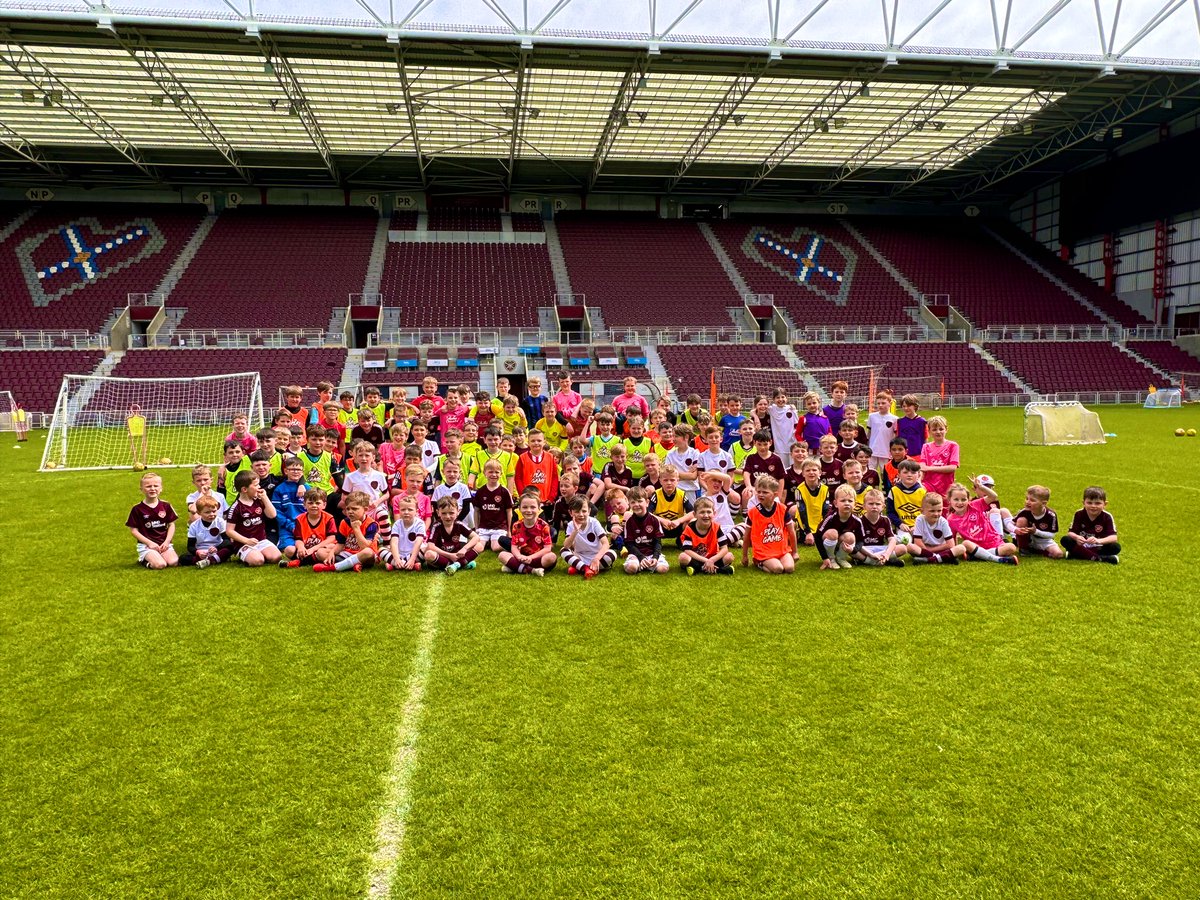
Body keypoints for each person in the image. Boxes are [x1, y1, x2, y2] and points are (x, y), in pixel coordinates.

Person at [945, 481, 1019, 565]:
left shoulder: (975, 505)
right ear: (949, 500)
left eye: (963, 499)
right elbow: (953, 539)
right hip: (975, 546)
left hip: (995, 542)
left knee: (1011, 547)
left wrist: (981, 487)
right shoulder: (951, 520)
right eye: (956, 499)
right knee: (965, 543)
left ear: (968, 499)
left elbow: (993, 496)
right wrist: (957, 552)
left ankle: (978, 556)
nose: (960, 502)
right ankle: (997, 559)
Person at [225, 470, 281, 567]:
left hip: (261, 540)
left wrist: (265, 498)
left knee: (276, 557)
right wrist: (246, 541)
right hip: (244, 543)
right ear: (244, 489)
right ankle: (247, 554)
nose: (259, 487)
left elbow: (272, 515)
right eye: (255, 485)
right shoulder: (236, 507)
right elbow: (229, 531)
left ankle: (260, 553)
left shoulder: (259, 501)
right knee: (258, 561)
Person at [315, 490, 379, 572]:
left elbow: (364, 547)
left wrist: (356, 529)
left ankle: (334, 567)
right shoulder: (344, 522)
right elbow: (340, 544)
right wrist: (332, 552)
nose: (350, 512)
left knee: (368, 552)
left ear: (365, 510)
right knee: (320, 552)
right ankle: (353, 565)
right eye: (348, 509)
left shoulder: (372, 524)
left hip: (364, 555)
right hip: (347, 553)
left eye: (354, 509)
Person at [742, 475, 795, 574]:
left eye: (765, 492)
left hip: (781, 550)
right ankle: (758, 562)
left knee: (789, 568)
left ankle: (773, 562)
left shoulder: (782, 509)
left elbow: (791, 531)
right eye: (759, 492)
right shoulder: (753, 512)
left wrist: (795, 552)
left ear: (775, 495)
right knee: (778, 569)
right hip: (764, 552)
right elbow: (746, 536)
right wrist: (744, 556)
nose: (761, 494)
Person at [126, 471, 178, 569]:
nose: (152, 489)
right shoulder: (137, 509)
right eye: (148, 486)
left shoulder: (166, 505)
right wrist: (149, 543)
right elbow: (133, 530)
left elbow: (171, 524)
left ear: (161, 488)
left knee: (173, 562)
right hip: (146, 546)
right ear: (141, 489)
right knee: (160, 565)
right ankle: (144, 560)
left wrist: (167, 542)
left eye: (156, 486)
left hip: (164, 544)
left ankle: (158, 556)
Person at [500, 491, 558, 576]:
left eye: (532, 507)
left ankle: (516, 567)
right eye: (525, 507)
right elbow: (514, 547)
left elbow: (547, 548)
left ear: (539, 509)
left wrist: (531, 558)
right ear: (519, 509)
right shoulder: (517, 525)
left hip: (538, 558)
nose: (529, 510)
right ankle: (532, 570)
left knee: (551, 557)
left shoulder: (544, 525)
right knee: (502, 555)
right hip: (522, 557)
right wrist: (519, 556)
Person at [1061, 486, 1120, 563]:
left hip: (1098, 546)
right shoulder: (1079, 514)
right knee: (1065, 540)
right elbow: (1070, 533)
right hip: (1082, 545)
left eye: (1098, 503)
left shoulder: (1107, 516)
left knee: (1115, 547)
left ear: (1105, 504)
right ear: (1083, 503)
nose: (1093, 506)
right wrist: (1077, 537)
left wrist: (1098, 541)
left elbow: (1113, 537)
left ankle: (1078, 554)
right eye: (1089, 503)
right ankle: (1099, 558)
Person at [279, 489, 337, 568]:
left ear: (324, 505)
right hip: (307, 548)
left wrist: (313, 549)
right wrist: (301, 547)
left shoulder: (329, 518)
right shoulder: (299, 519)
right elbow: (298, 538)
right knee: (289, 550)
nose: (314, 505)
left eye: (317, 503)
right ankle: (311, 559)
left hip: (322, 547)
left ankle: (299, 562)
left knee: (324, 551)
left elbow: (331, 538)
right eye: (310, 503)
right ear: (304, 505)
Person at [424, 497, 482, 574]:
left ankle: (456, 565)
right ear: (438, 513)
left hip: (457, 555)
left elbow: (476, 537)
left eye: (451, 513)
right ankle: (462, 563)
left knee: (479, 546)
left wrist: (464, 549)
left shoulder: (459, 524)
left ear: (458, 512)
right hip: (443, 556)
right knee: (428, 555)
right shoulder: (436, 526)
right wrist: (450, 555)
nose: (448, 516)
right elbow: (430, 546)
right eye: (444, 513)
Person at [561, 496, 615, 578]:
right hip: (580, 556)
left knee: (612, 554)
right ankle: (586, 568)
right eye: (577, 512)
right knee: (563, 551)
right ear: (571, 512)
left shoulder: (594, 523)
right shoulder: (571, 525)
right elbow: (566, 546)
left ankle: (579, 567)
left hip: (597, 556)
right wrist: (575, 531)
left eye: (584, 511)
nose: (581, 514)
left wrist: (597, 559)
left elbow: (606, 544)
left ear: (589, 511)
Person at [678, 496, 734, 575]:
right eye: (702, 512)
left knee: (729, 556)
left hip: (713, 558)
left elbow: (724, 548)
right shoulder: (689, 529)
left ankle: (698, 569)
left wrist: (712, 560)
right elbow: (687, 550)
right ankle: (718, 569)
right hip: (696, 558)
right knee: (683, 557)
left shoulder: (716, 527)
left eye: (709, 512)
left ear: (714, 513)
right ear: (695, 514)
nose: (706, 515)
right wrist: (706, 561)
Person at [909, 492, 967, 564]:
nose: (936, 514)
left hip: (939, 549)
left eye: (939, 511)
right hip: (924, 548)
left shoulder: (943, 522)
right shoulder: (920, 519)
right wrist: (927, 549)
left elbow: (951, 544)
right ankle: (942, 558)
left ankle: (930, 560)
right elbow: (918, 542)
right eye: (932, 511)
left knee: (961, 548)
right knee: (910, 547)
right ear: (922, 511)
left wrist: (931, 550)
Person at [817, 483, 865, 570]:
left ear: (855, 504)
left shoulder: (857, 521)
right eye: (843, 501)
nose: (847, 503)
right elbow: (817, 536)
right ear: (835, 503)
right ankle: (831, 558)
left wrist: (853, 550)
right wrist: (825, 557)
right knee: (833, 533)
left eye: (850, 501)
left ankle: (841, 558)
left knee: (850, 536)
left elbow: (861, 540)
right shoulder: (830, 517)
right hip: (829, 542)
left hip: (841, 544)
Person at [622, 487, 669, 574]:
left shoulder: (654, 520)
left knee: (663, 569)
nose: (636, 504)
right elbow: (629, 544)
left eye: (640, 501)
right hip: (636, 554)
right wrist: (641, 557)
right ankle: (641, 564)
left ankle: (647, 565)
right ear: (629, 505)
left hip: (652, 553)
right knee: (631, 568)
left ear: (647, 502)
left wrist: (655, 557)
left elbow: (658, 542)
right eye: (633, 502)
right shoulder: (629, 522)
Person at [514, 428, 559, 516]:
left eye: (539, 440)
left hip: (546, 500)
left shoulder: (550, 457)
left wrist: (552, 496)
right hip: (529, 501)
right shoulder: (522, 458)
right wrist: (523, 495)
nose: (536, 443)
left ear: (544, 442)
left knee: (546, 526)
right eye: (533, 441)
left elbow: (554, 477)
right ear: (528, 442)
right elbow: (518, 478)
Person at [855, 488, 905, 567]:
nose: (874, 506)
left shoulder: (885, 520)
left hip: (880, 549)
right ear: (864, 506)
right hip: (865, 550)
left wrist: (887, 554)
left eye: (878, 504)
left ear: (883, 506)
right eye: (871, 504)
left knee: (903, 548)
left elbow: (892, 539)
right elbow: (857, 544)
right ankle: (882, 561)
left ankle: (872, 560)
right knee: (850, 549)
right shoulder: (859, 521)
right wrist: (871, 555)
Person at [473, 458, 514, 552]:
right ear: (485, 473)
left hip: (499, 527)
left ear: (501, 474)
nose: (494, 475)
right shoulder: (480, 491)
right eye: (490, 472)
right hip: (484, 527)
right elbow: (476, 511)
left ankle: (513, 545)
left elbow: (509, 512)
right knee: (478, 548)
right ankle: (487, 541)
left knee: (495, 548)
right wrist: (476, 528)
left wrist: (509, 530)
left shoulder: (504, 491)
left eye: (497, 472)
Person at [1013, 485, 1064, 558]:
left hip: (1043, 540)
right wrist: (1016, 530)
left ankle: (1036, 550)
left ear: (1044, 503)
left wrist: (1035, 532)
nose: (1028, 502)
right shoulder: (1024, 511)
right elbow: (1011, 523)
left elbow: (1051, 535)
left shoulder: (1051, 515)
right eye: (1027, 498)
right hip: (1028, 538)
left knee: (1058, 554)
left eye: (1032, 500)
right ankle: (1023, 548)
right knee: (1021, 520)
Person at [181, 494, 232, 568]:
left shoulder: (220, 522)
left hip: (216, 549)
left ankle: (208, 561)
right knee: (183, 558)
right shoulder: (194, 526)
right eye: (207, 512)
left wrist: (216, 548)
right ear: (199, 513)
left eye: (214, 511)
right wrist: (198, 552)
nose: (212, 514)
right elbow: (190, 546)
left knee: (231, 547)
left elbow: (227, 540)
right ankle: (215, 559)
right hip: (202, 551)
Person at [741, 429, 785, 511]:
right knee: (747, 493)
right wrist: (748, 486)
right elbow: (746, 473)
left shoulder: (776, 459)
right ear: (754, 443)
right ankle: (746, 515)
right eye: (759, 444)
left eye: (765, 444)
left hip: (771, 490)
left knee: (774, 506)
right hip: (756, 489)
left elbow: (781, 478)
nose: (762, 447)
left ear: (770, 443)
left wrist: (779, 495)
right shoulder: (751, 458)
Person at [650, 464, 694, 545]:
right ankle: (656, 541)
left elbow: (693, 513)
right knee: (649, 520)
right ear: (660, 481)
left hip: (676, 526)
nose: (669, 483)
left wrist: (678, 521)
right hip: (661, 527)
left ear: (677, 480)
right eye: (666, 480)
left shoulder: (681, 494)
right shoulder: (656, 494)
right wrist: (662, 520)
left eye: (672, 480)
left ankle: (682, 540)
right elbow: (648, 513)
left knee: (692, 521)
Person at [381, 495, 427, 571]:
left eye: (410, 510)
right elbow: (394, 543)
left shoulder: (420, 523)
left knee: (426, 549)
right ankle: (404, 564)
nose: (406, 512)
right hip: (399, 554)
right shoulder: (397, 524)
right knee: (381, 550)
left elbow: (418, 543)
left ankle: (396, 564)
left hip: (414, 554)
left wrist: (412, 559)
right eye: (403, 510)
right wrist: (397, 559)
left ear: (416, 511)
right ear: (399, 511)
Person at [918, 415, 959, 498]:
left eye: (941, 429)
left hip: (946, 486)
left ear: (946, 429)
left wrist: (930, 468)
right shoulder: (926, 447)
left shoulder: (953, 446)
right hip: (928, 485)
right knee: (930, 508)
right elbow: (922, 466)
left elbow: (952, 467)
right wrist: (918, 481)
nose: (938, 432)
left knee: (946, 509)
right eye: (934, 429)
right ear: (929, 431)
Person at [794, 457, 828, 547]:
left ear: (820, 472)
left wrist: (825, 529)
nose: (811, 472)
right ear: (803, 473)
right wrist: (808, 532)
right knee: (808, 541)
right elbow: (802, 512)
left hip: (819, 522)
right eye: (808, 470)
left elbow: (825, 511)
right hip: (804, 524)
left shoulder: (825, 489)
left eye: (814, 470)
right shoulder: (799, 490)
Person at [887, 458, 926, 533]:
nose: (909, 475)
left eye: (913, 472)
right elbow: (890, 513)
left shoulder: (923, 492)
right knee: (904, 540)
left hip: (919, 526)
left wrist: (917, 526)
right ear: (898, 475)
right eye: (905, 472)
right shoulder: (894, 491)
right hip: (902, 527)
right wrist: (900, 524)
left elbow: (926, 513)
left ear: (919, 475)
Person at [432, 459, 472, 524]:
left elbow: (466, 508)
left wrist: (456, 522)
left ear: (460, 472)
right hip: (443, 523)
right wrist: (441, 521)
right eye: (449, 471)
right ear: (443, 472)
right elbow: (435, 507)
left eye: (455, 471)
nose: (452, 474)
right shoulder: (438, 489)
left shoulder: (463, 488)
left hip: (460, 523)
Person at [765, 388, 800, 463]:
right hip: (779, 446)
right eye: (778, 397)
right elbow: (755, 410)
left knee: (793, 468)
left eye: (783, 397)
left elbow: (797, 425)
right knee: (782, 468)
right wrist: (754, 415)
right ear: (773, 399)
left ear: (787, 398)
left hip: (792, 443)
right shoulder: (771, 409)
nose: (780, 399)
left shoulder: (791, 409)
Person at [866, 391, 898, 472]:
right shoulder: (872, 416)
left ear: (890, 403)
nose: (880, 405)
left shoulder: (894, 419)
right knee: (870, 472)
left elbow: (895, 436)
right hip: (872, 450)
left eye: (883, 403)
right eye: (878, 403)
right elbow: (868, 433)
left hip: (886, 451)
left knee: (885, 474)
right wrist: (867, 447)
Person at [216, 439, 251, 505]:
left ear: (243, 453)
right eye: (231, 452)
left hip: (249, 502)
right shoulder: (223, 471)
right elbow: (220, 491)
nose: (234, 455)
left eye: (237, 452)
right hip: (230, 505)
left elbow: (263, 450)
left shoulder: (248, 459)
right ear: (225, 455)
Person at [126, 403, 148, 469]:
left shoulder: (142, 418)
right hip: (132, 432)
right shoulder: (129, 418)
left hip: (141, 432)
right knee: (133, 448)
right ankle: (136, 463)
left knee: (143, 446)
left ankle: (144, 463)